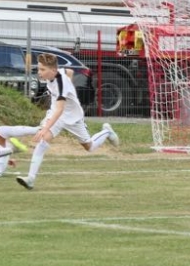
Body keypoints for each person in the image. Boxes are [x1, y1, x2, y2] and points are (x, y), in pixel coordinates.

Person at [15, 52, 120, 190]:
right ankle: (30, 179)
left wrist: (45, 128)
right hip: (57, 116)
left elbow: (60, 109)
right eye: (39, 68)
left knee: (89, 147)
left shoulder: (60, 84)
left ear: (53, 70)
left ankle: (106, 131)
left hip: (73, 117)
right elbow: (69, 71)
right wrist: (70, 86)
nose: (39, 72)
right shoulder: (57, 72)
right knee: (43, 141)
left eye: (42, 69)